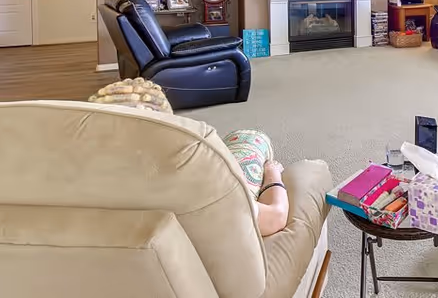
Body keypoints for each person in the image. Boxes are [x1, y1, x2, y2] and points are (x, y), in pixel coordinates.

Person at [89, 79, 289, 237]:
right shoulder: (204, 188)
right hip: (212, 270)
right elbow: (276, 217)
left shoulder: (81, 188)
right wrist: (273, 174)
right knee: (251, 138)